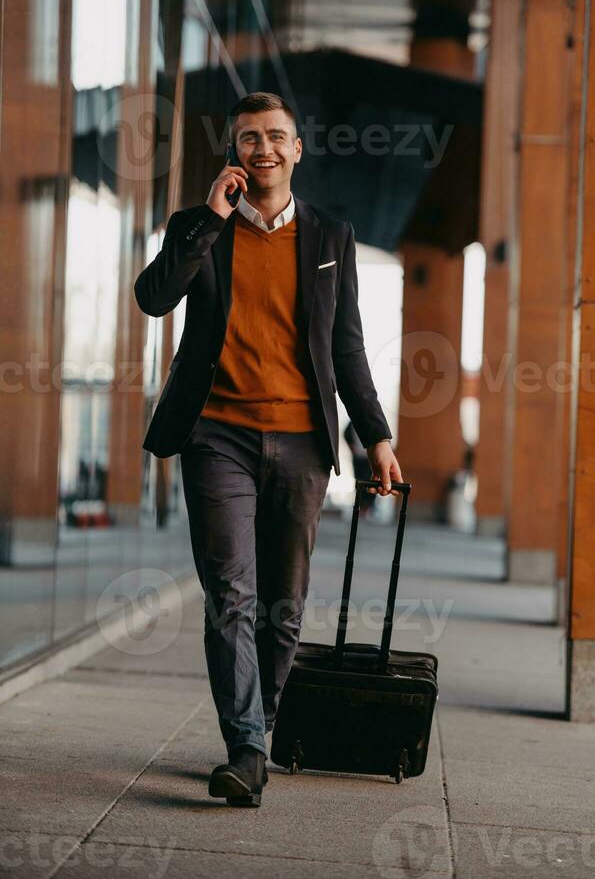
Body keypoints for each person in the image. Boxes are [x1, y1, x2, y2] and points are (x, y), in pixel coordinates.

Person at [133, 91, 403, 807]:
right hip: (214, 433)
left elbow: (346, 349)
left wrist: (375, 435)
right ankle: (247, 748)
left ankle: (264, 725)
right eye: (249, 138)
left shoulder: (330, 237)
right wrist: (211, 223)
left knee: (283, 602)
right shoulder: (197, 227)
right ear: (233, 151)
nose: (264, 150)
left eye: (276, 136)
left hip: (301, 443)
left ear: (297, 149)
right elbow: (154, 299)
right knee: (231, 593)